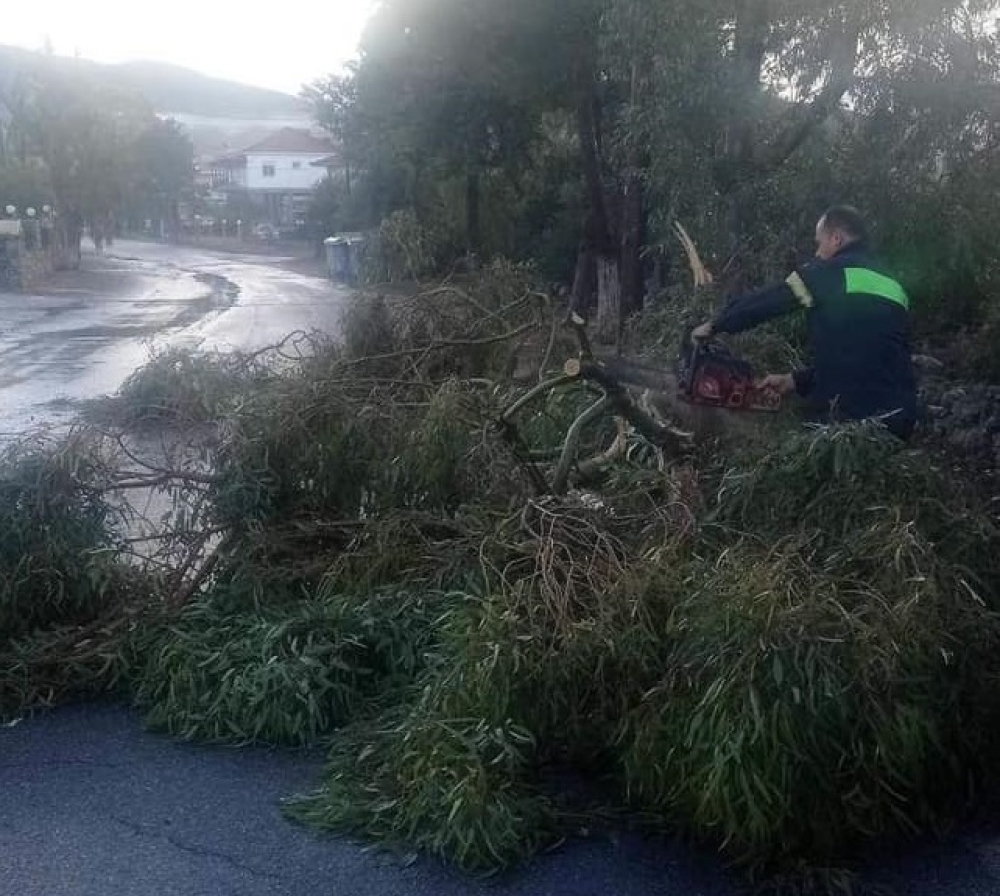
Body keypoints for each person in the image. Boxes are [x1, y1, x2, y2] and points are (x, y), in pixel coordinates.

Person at [691, 205, 917, 439]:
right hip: (898, 421)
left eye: (820, 243)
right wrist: (794, 381)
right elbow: (866, 358)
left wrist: (716, 324)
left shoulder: (832, 272)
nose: (817, 253)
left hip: (849, 426)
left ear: (836, 239)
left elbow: (773, 299)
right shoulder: (893, 285)